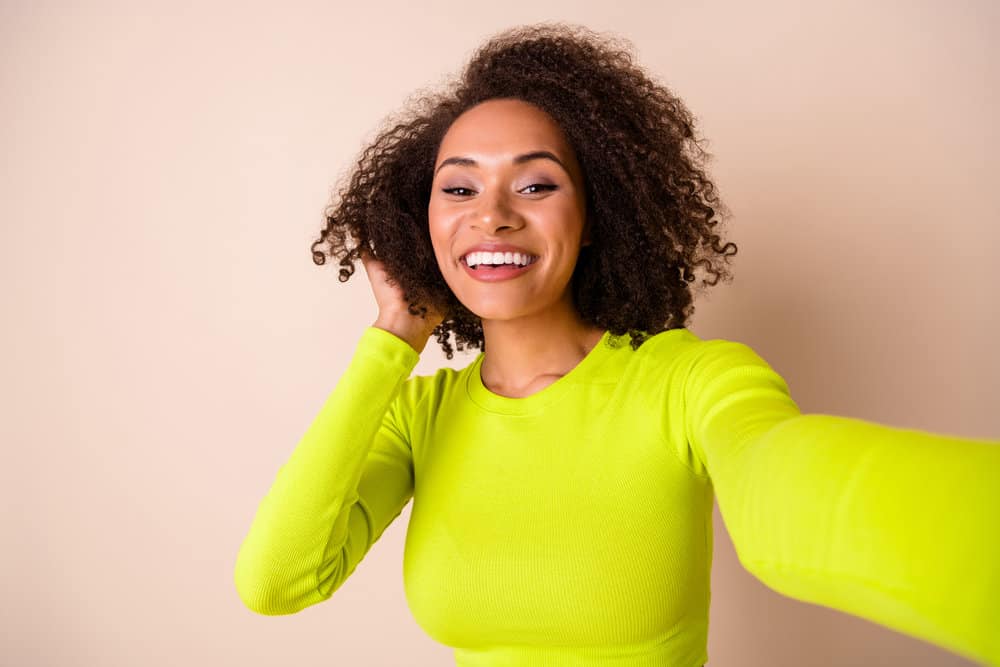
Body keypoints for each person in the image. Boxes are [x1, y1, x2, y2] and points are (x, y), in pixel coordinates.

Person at [233, 23, 1000, 667]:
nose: (491, 215)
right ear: (423, 221)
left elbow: (787, 501)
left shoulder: (689, 380)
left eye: (535, 185)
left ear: (598, 214)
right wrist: (392, 340)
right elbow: (276, 580)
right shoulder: (417, 415)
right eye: (459, 188)